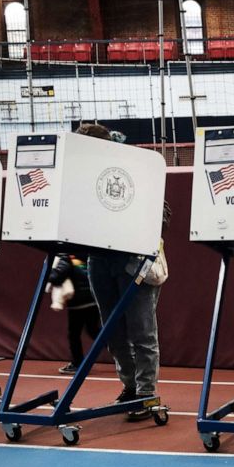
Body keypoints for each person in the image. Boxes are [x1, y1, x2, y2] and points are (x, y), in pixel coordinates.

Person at [78, 122, 165, 421]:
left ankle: (146, 393)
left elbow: (161, 214)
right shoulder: (78, 179)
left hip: (133, 259)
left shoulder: (135, 169)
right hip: (99, 261)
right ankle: (130, 387)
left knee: (142, 331)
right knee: (113, 332)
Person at [47, 252, 101, 374]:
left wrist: (49, 272)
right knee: (94, 332)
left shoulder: (66, 258)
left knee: (74, 335)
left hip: (78, 303)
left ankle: (77, 363)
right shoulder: (87, 256)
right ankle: (123, 353)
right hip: (93, 300)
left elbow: (57, 277)